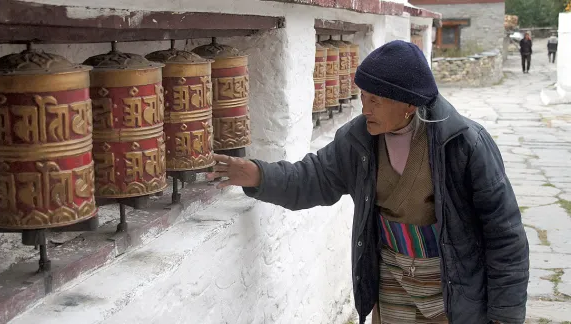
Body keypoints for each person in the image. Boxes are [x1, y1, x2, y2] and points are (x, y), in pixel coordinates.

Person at [207, 40, 529, 324]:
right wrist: (259, 175)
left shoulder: (463, 144)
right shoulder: (358, 140)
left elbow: (504, 233)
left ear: (408, 103)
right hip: (392, 280)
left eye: (375, 100)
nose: (365, 109)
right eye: (363, 97)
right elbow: (314, 177)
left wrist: (506, 313)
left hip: (452, 284)